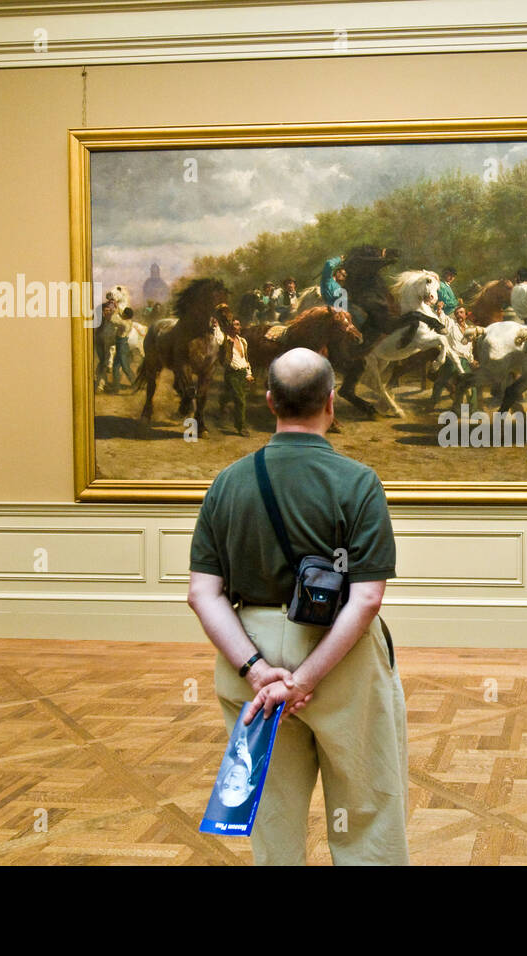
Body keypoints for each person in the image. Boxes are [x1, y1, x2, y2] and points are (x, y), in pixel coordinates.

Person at [187, 348, 408, 865]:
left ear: (269, 402)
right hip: (338, 654)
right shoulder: (358, 481)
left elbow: (203, 593)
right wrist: (304, 678)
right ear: (332, 402)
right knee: (367, 809)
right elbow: (368, 597)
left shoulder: (227, 482)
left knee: (273, 815)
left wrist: (259, 671)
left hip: (249, 652)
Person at [221, 314, 254, 436]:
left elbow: (245, 358)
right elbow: (218, 336)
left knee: (231, 395)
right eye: (235, 324)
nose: (238, 327)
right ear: (229, 327)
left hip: (242, 373)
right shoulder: (225, 340)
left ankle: (222, 404)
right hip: (232, 373)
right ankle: (241, 426)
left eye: (239, 324)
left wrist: (248, 374)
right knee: (240, 400)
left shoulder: (243, 341)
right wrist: (215, 323)